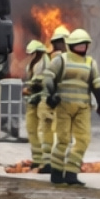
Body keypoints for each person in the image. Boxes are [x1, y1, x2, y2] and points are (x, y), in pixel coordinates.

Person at [45, 27, 100, 186]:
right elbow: (48, 79)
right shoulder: (61, 60)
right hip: (63, 106)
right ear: (71, 45)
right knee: (63, 139)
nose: (82, 48)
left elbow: (96, 84)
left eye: (84, 45)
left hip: (83, 108)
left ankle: (71, 173)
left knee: (83, 139)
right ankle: (57, 173)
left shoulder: (90, 62)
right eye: (79, 45)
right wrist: (50, 96)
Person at [36, 25, 69, 173]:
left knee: (55, 133)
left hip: (54, 100)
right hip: (55, 101)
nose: (59, 45)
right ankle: (54, 164)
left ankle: (53, 163)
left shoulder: (48, 58)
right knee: (53, 132)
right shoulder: (65, 59)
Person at [22, 40, 49, 165]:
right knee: (31, 129)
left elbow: (45, 80)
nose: (32, 55)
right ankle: (37, 159)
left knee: (42, 130)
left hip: (43, 100)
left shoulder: (45, 61)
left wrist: (32, 88)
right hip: (32, 100)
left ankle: (45, 160)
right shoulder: (33, 63)